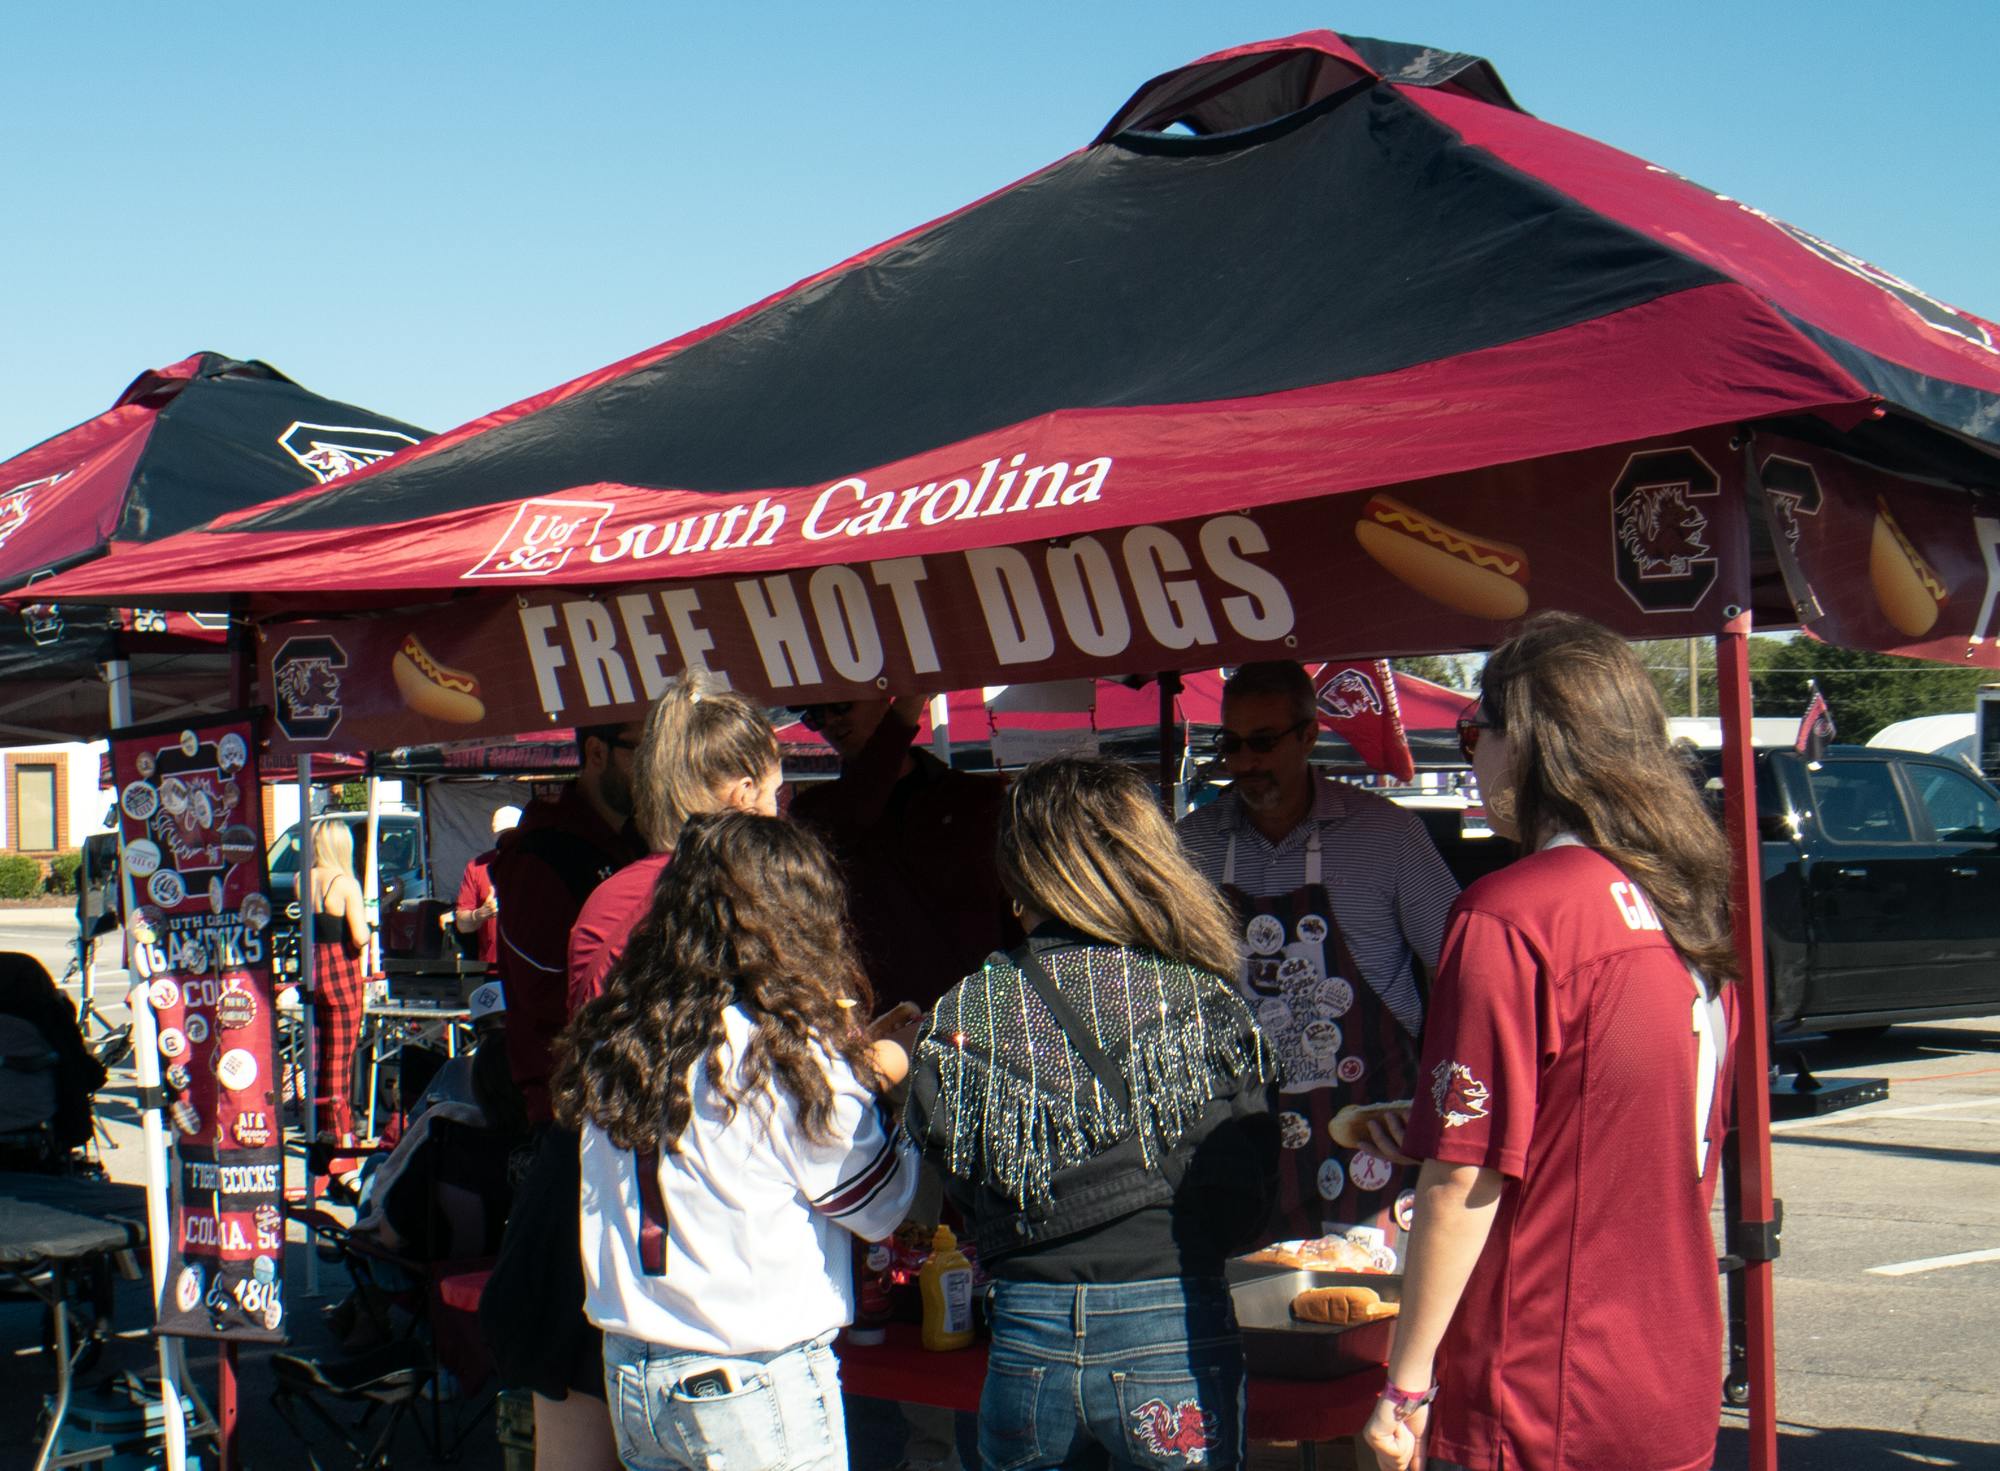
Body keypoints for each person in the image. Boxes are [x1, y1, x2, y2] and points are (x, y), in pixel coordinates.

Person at [1362, 613, 1736, 1471]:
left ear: (1527, 741)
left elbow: (1465, 1175)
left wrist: (1404, 1388)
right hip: (1669, 1365)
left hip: (1540, 1383)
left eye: (1473, 732)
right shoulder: (1692, 909)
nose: (1470, 758)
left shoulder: (1514, 910)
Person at [904, 757, 1280, 1471]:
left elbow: (960, 1188)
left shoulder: (963, 1014)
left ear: (1021, 873)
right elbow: (1247, 1193)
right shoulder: (1199, 1001)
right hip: (1175, 1319)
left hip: (1027, 1329)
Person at [554, 812, 919, 1471]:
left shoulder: (620, 1033)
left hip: (636, 1368)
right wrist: (888, 1080)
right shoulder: (779, 1051)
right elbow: (882, 1203)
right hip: (748, 1377)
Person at [1178, 661, 1459, 1261]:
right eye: (1232, 745)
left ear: (1309, 736)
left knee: (1371, 1308)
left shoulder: (1386, 835)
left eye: (1263, 742)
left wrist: (1440, 1099)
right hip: (1238, 1131)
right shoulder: (1190, 846)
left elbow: (1457, 968)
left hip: (1372, 1132)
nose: (1246, 762)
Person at [567, 674, 782, 1011]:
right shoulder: (745, 895)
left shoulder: (604, 898)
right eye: (774, 794)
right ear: (743, 797)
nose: (777, 813)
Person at [788, 695, 1014, 1013]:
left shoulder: (975, 798)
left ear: (883, 697)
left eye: (841, 705)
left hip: (982, 1007)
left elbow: (1011, 907)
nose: (829, 722)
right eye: (814, 715)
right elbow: (854, 812)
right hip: (883, 1020)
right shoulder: (816, 811)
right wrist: (904, 714)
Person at [491, 725, 648, 1125]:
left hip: (626, 1090)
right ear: (597, 753)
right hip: (572, 1106)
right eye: (645, 748)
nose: (657, 764)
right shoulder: (541, 855)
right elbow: (548, 997)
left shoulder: (634, 839)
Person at [308, 818, 371, 1145]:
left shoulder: (301, 880)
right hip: (341, 972)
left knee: (318, 1055)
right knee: (341, 1059)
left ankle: (320, 1127)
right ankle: (341, 1132)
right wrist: (370, 933)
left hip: (313, 968)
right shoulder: (346, 883)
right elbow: (359, 937)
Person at [445, 805, 520, 967]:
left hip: (530, 967)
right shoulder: (478, 866)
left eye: (513, 833)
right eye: (503, 834)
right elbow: (462, 925)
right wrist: (480, 914)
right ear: (494, 836)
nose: (508, 839)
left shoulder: (537, 866)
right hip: (492, 967)